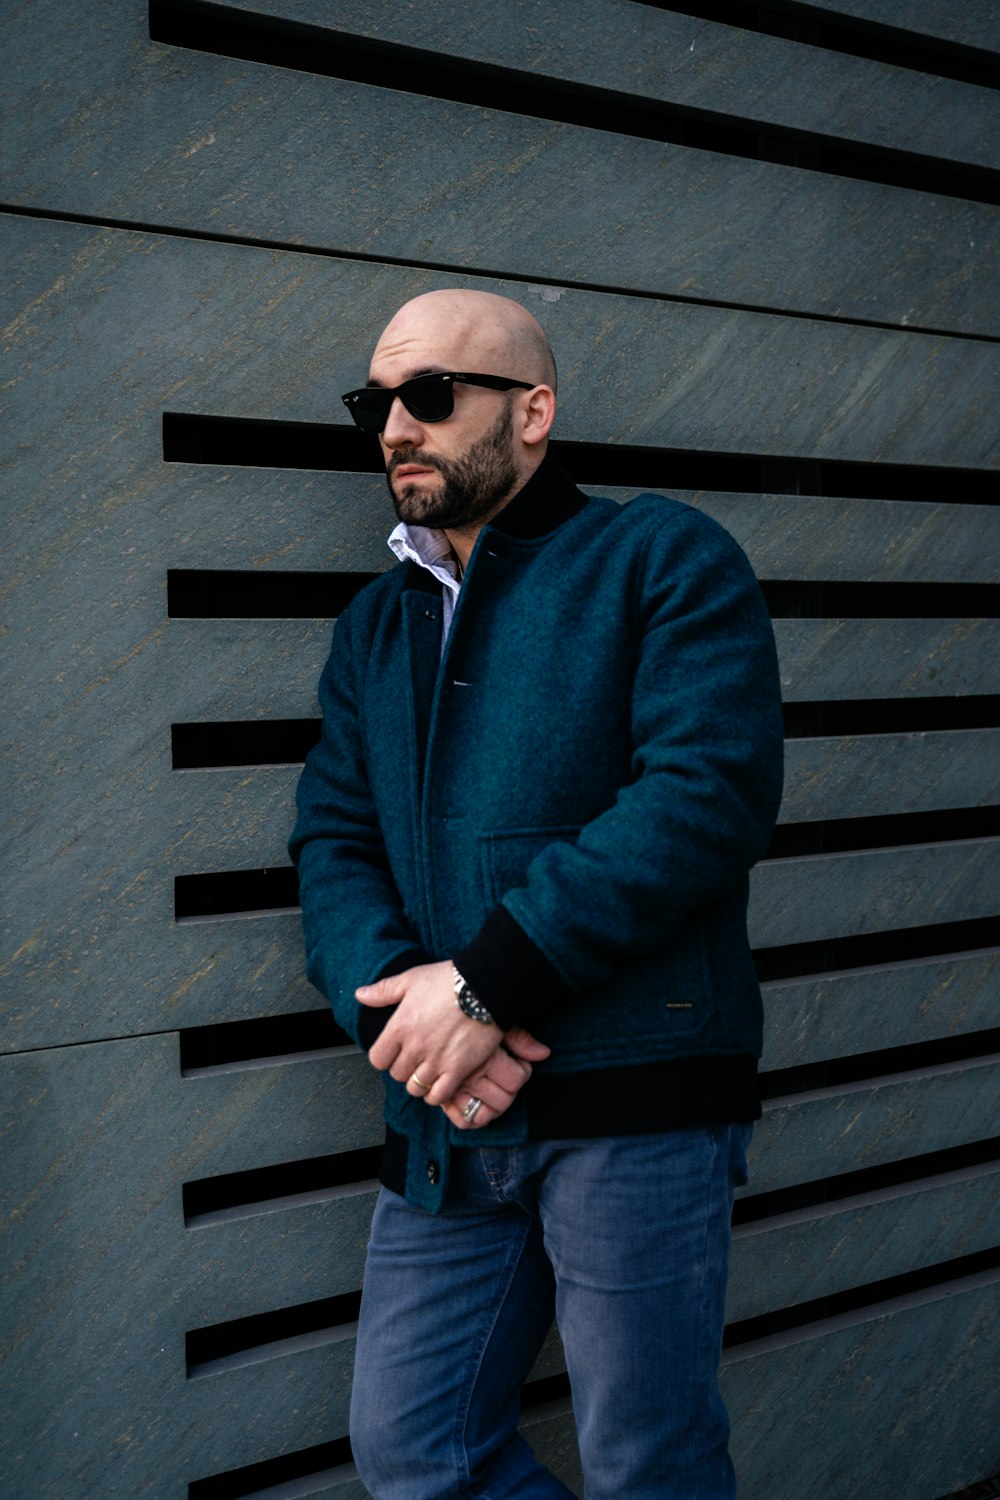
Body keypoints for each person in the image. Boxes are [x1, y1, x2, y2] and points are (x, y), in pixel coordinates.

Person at [289, 288, 784, 1499]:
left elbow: (703, 799)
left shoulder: (661, 556)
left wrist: (484, 984)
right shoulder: (375, 623)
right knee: (412, 1449)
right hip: (448, 1114)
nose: (395, 426)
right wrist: (405, 1022)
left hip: (637, 1099)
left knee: (647, 1465)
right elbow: (331, 840)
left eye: (429, 394)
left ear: (533, 411)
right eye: (377, 403)